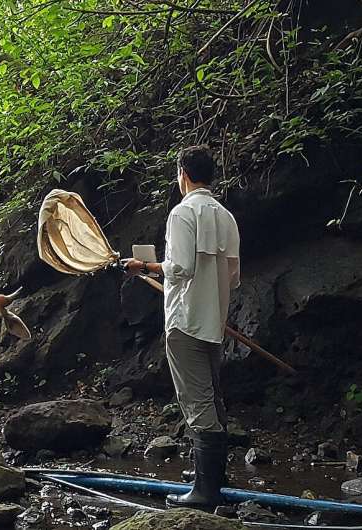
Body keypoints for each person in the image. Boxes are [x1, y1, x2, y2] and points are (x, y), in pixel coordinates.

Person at [124, 145, 240, 508]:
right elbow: (233, 275)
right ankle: (213, 477)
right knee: (212, 394)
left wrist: (144, 267)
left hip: (185, 319)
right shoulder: (225, 215)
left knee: (197, 398)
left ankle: (206, 492)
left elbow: (180, 268)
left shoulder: (182, 213)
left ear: (183, 175)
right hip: (214, 319)